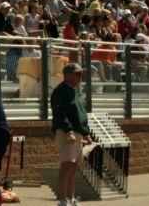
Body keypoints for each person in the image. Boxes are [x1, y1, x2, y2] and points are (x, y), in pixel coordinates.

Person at [51, 62, 92, 206]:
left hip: (77, 132)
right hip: (67, 132)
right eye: (78, 74)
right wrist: (68, 131)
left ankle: (71, 197)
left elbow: (79, 114)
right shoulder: (61, 91)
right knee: (67, 164)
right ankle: (63, 199)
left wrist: (85, 133)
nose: (81, 76)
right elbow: (60, 113)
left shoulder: (73, 90)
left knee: (74, 166)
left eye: (81, 74)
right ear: (67, 75)